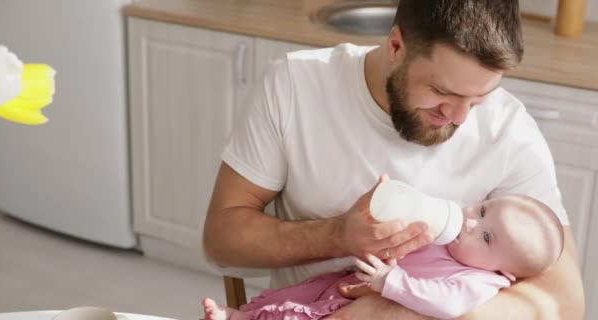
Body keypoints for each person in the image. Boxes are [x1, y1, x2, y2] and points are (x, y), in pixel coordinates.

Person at [203, 0, 584, 318]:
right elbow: (220, 240)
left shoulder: (509, 132)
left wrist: (395, 311)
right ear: (396, 46)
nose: (460, 117)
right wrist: (336, 236)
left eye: (480, 98)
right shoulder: (296, 86)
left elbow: (564, 302)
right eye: (441, 91)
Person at [202, 194, 565, 320]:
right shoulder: (452, 232)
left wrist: (391, 282)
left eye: (486, 236)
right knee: (292, 299)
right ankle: (238, 315)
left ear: (505, 272)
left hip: (372, 291)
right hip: (350, 281)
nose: (470, 221)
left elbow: (447, 303)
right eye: (483, 210)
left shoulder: (481, 282)